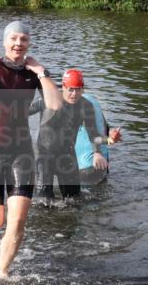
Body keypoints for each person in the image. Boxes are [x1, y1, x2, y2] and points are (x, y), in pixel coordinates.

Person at [0, 21, 62, 278]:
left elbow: (55, 104)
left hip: (21, 152)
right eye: (14, 39)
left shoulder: (32, 72)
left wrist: (41, 72)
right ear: (6, 41)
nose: (19, 43)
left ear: (29, 43)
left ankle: (1, 273)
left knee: (17, 219)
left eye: (24, 39)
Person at [30, 69, 121, 202]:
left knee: (74, 200)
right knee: (43, 202)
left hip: (67, 155)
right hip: (45, 156)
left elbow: (93, 136)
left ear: (82, 89)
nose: (74, 94)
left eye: (78, 89)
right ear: (63, 87)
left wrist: (110, 139)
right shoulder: (48, 100)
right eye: (70, 89)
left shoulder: (86, 106)